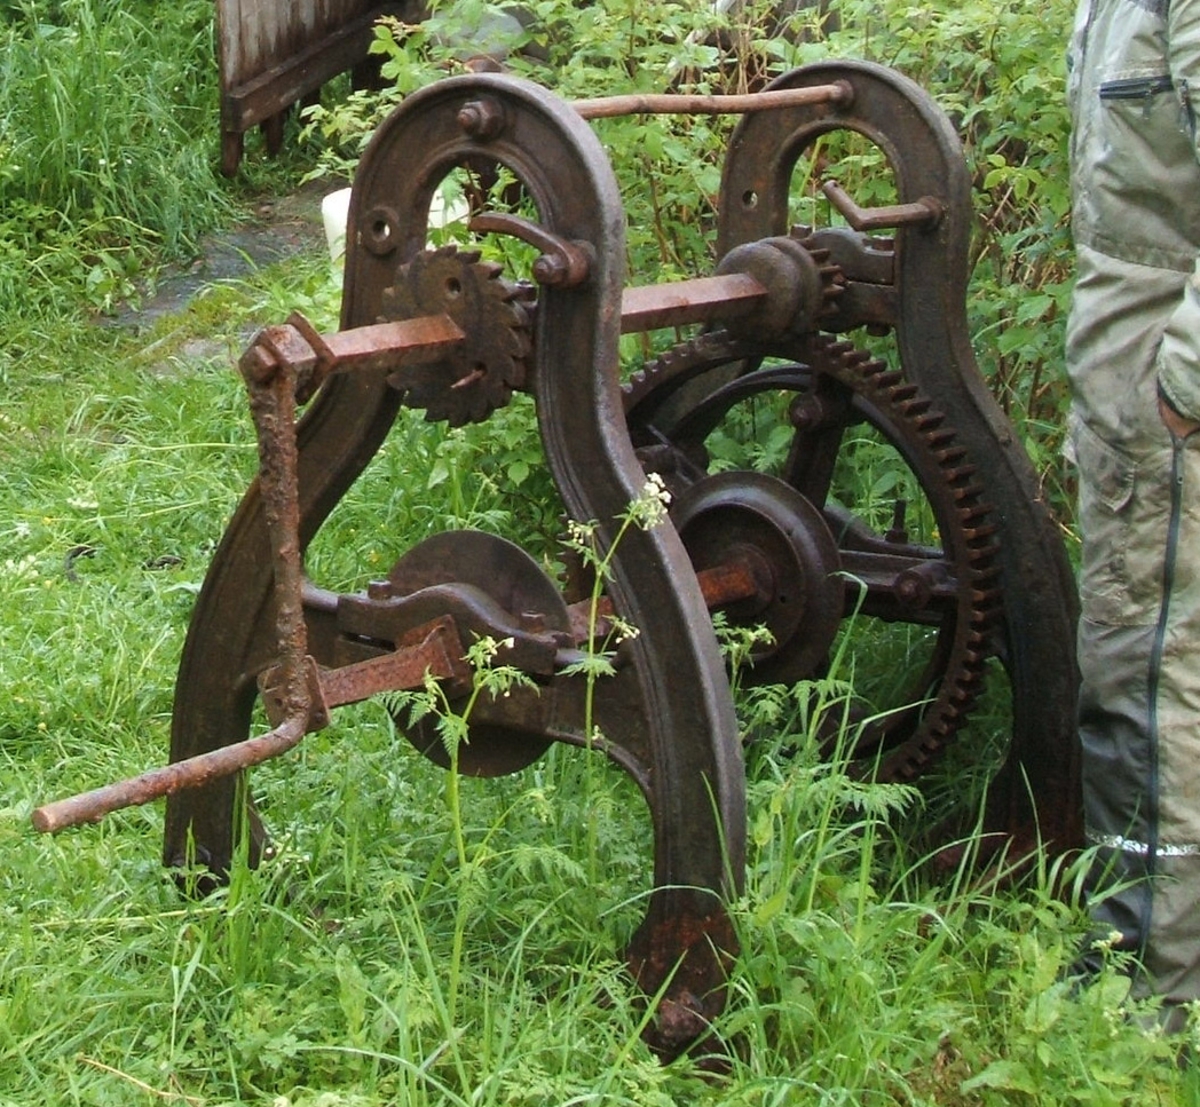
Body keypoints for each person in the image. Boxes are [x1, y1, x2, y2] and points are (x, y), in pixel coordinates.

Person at [1065, 0, 1200, 1026]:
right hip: (1132, 393)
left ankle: (1144, 998)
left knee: (1147, 680)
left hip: (1171, 410)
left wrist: (1183, 387)